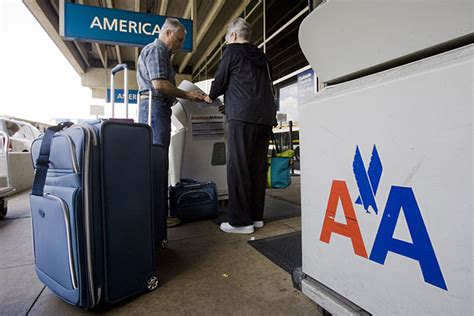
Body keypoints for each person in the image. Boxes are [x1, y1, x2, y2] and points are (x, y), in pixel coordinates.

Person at [204, 18, 277, 234]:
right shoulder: (262, 57)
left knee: (238, 167)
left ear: (233, 36)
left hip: (242, 118)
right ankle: (256, 217)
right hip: (264, 118)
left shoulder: (232, 51)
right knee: (256, 167)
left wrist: (210, 96)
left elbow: (219, 82)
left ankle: (240, 222)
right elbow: (254, 87)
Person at [137, 18, 206, 227]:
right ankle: (159, 217)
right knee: (158, 161)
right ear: (167, 33)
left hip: (156, 107)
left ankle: (156, 214)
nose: (180, 45)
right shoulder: (157, 50)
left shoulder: (160, 53)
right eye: (179, 39)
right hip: (156, 107)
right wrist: (188, 95)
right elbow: (160, 85)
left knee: (156, 160)